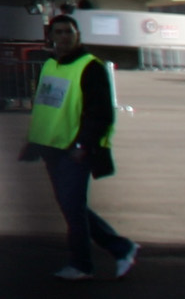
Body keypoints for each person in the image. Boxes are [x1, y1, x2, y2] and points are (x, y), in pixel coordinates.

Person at [22, 15, 138, 280]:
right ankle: (121, 247)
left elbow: (100, 113)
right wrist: (33, 139)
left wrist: (84, 143)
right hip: (53, 146)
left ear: (78, 35)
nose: (64, 37)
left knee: (73, 207)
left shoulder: (90, 67)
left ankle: (81, 264)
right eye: (59, 32)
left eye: (69, 32)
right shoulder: (50, 65)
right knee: (71, 205)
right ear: (50, 36)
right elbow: (45, 106)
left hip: (75, 149)